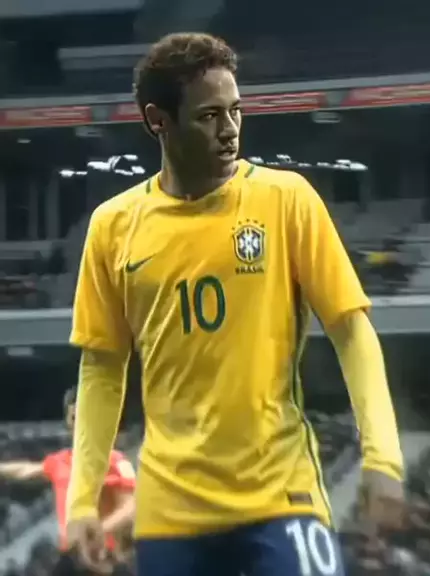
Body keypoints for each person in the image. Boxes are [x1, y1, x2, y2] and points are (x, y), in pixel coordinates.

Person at [66, 32, 404, 576]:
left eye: (236, 110)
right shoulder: (112, 227)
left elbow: (351, 329)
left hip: (280, 494)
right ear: (158, 121)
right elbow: (102, 369)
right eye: (209, 116)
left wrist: (383, 456)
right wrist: (82, 500)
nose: (230, 129)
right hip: (171, 513)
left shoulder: (286, 199)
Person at [0, 387, 135, 575]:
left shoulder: (117, 461)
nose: (79, 423)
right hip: (72, 558)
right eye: (74, 417)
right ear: (68, 421)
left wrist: (99, 530)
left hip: (104, 555)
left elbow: (130, 507)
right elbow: (25, 471)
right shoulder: (59, 461)